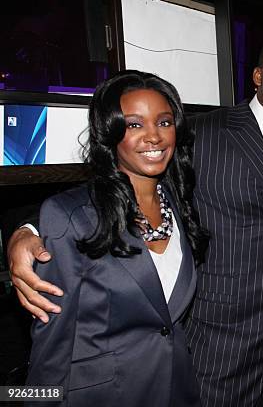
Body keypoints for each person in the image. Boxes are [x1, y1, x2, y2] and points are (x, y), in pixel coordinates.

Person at [8, 33, 263, 406]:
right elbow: (110, 186)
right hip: (217, 356)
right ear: (258, 76)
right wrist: (30, 230)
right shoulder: (205, 133)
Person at [24, 70, 206, 406]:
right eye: (135, 124)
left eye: (164, 122)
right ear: (110, 133)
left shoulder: (183, 205)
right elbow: (51, 346)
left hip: (176, 390)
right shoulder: (74, 215)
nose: (154, 137)